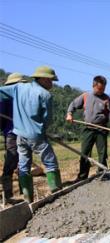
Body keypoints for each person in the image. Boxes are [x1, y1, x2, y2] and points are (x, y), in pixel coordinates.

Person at [0, 66, 62, 203]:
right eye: (51, 81)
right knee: (50, 162)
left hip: (20, 136)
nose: (52, 84)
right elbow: (47, 119)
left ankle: (28, 198)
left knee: (23, 165)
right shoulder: (45, 95)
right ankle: (57, 193)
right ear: (44, 79)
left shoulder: (18, 89)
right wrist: (41, 130)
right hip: (35, 135)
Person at [66, 75, 110, 181]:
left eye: (103, 89)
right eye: (99, 89)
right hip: (88, 128)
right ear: (93, 85)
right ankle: (82, 176)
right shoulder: (86, 96)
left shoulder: (106, 99)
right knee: (85, 153)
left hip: (101, 129)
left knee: (102, 152)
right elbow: (73, 105)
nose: (101, 91)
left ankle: (102, 173)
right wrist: (69, 114)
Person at [0, 73, 28, 203]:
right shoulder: (5, 97)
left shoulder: (23, 97)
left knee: (24, 161)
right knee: (11, 162)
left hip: (24, 132)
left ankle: (26, 192)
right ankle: (8, 195)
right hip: (12, 133)